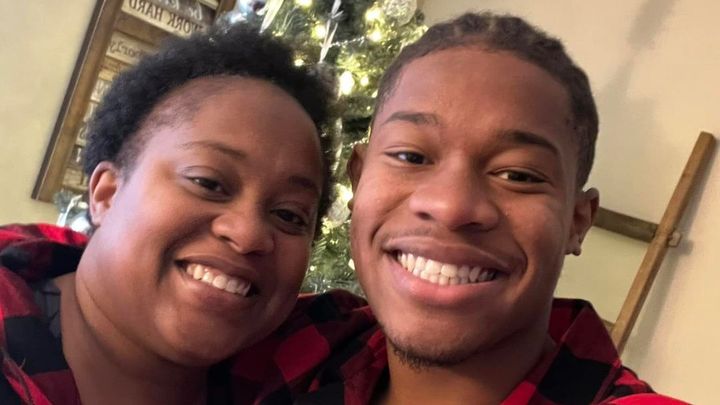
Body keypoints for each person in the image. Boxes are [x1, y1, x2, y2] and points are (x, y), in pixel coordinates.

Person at [231, 12, 685, 404]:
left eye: (518, 175)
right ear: (358, 178)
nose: (450, 207)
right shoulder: (286, 341)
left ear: (577, 222)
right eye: (410, 156)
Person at [0, 23, 335, 404]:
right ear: (106, 194)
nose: (248, 234)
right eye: (208, 182)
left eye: (290, 215)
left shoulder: (302, 376)